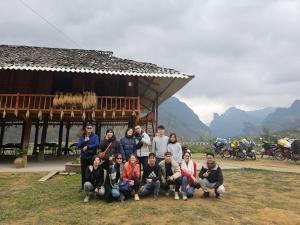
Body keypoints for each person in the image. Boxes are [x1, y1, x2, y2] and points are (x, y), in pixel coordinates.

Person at [77, 123, 100, 191]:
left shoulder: (95, 136)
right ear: (86, 129)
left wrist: (88, 146)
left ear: (92, 129)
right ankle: (83, 186)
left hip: (91, 157)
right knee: (83, 172)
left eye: (90, 128)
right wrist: (84, 141)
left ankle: (92, 185)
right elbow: (78, 145)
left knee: (91, 171)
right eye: (88, 128)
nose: (89, 129)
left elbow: (96, 144)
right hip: (84, 157)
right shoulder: (83, 136)